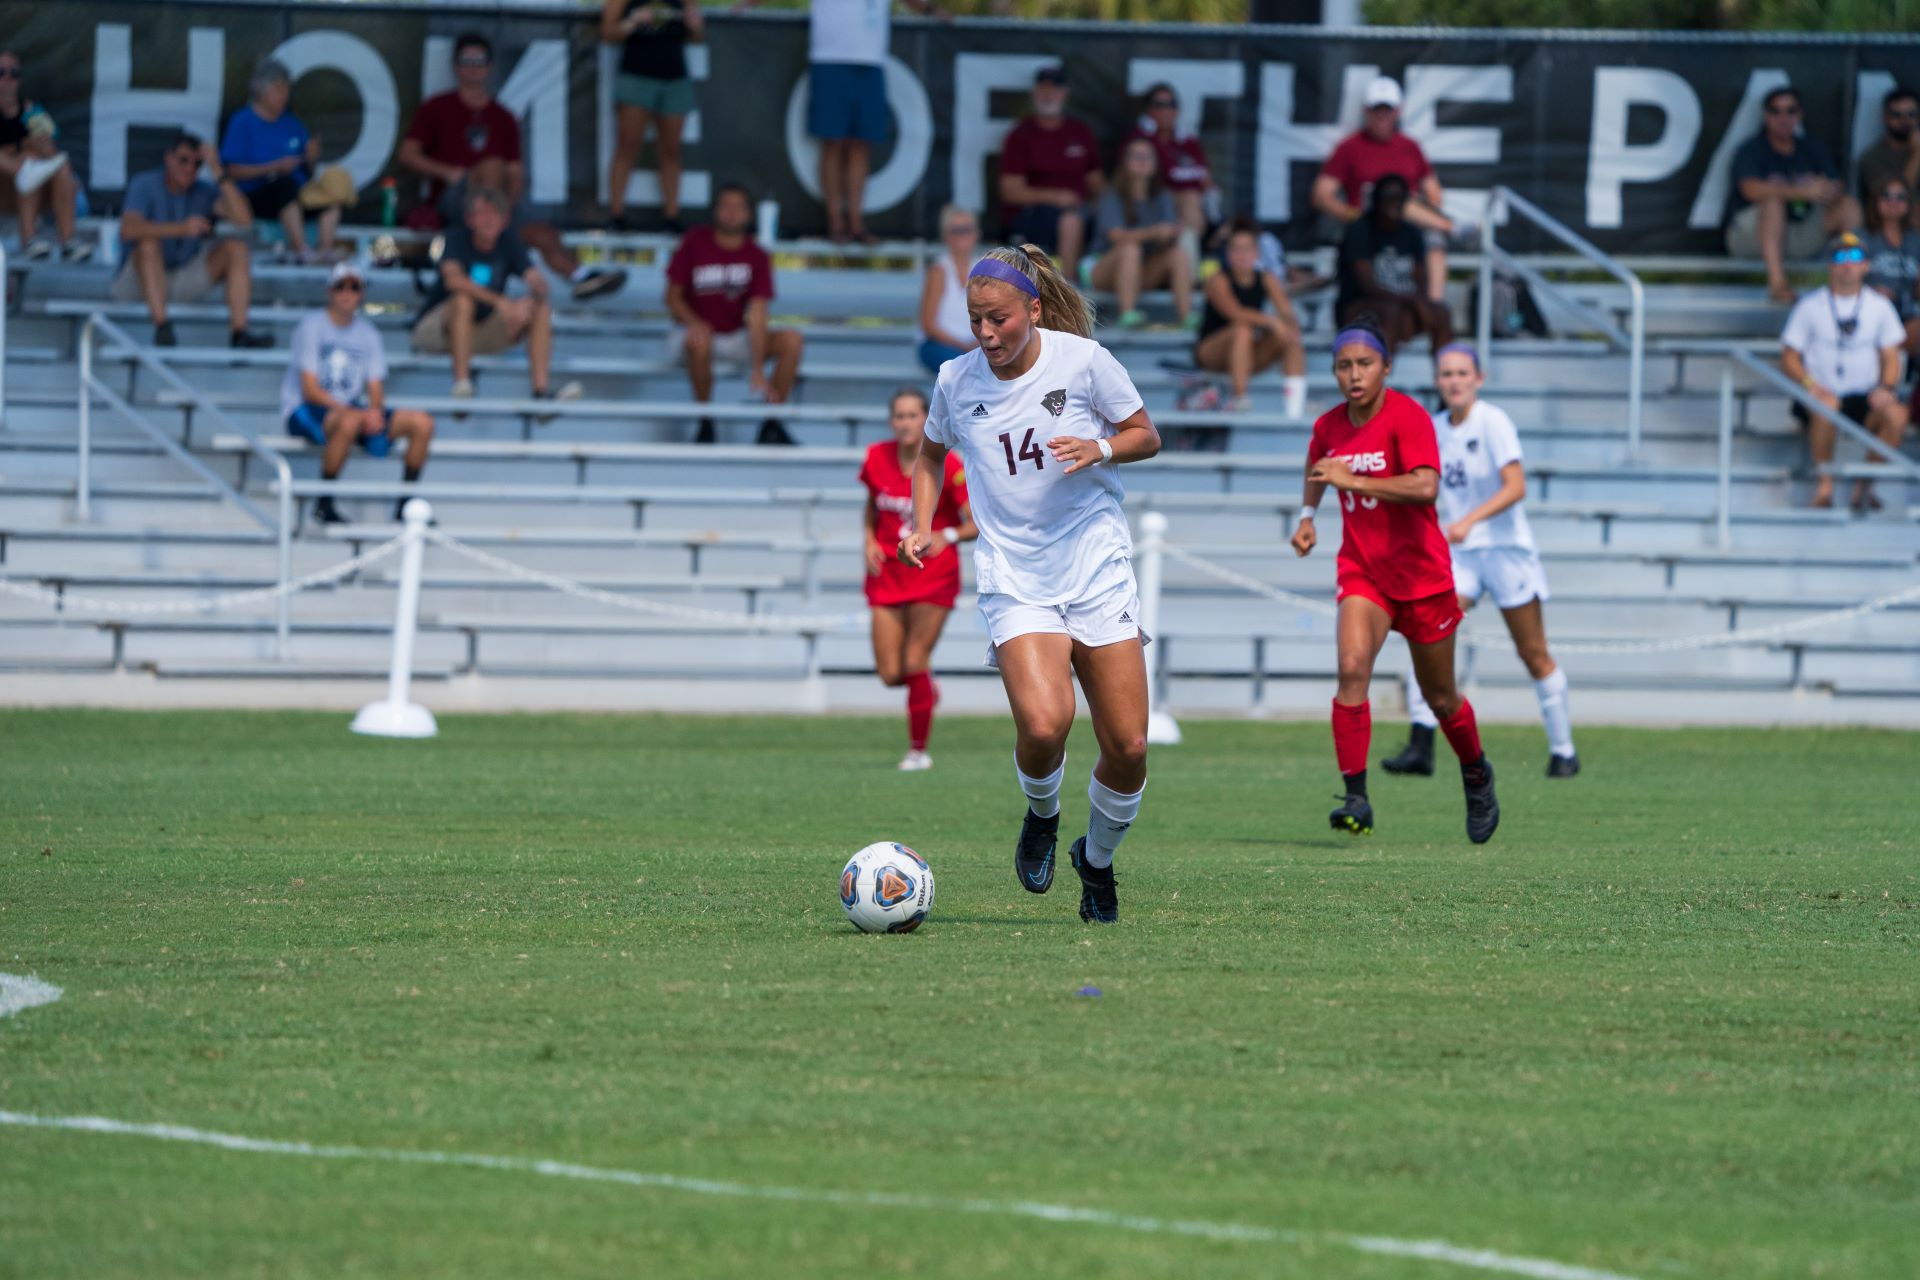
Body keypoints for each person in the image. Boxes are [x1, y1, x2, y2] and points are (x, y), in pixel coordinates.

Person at [898, 244, 1161, 925]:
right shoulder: (956, 380)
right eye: (975, 320)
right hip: (1015, 573)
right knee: (1046, 724)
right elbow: (929, 454)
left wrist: (1099, 447)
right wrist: (920, 522)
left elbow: (1145, 434)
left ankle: (1096, 861)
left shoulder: (1083, 362)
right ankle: (1042, 815)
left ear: (1034, 310)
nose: (986, 335)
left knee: (1129, 745)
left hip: (1095, 567)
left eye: (999, 320)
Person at [1289, 319, 1499, 845]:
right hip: (1364, 571)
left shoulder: (1408, 417)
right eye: (1343, 366)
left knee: (1441, 696)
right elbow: (1317, 465)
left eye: (1364, 364)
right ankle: (1355, 797)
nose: (1354, 375)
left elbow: (1426, 487)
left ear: (1385, 367)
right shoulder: (1329, 425)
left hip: (1423, 577)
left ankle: (1476, 772)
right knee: (1351, 667)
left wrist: (1352, 479)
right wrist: (1307, 516)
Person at [1379, 343, 1578, 780]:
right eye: (1446, 374)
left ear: (1478, 379)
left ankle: (1564, 750)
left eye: (1462, 373)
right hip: (1461, 554)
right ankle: (1421, 744)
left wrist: (1469, 519)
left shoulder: (1494, 422)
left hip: (1507, 552)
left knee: (1533, 652)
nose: (1454, 381)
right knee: (1426, 630)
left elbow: (1515, 486)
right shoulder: (1431, 427)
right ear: (1438, 381)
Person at [397, 33, 627, 301]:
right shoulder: (437, 107)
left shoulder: (503, 117)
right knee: (493, 166)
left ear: (490, 66)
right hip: (454, 201)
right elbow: (408, 154)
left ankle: (581, 277)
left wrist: (504, 209)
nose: (473, 66)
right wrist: (447, 172)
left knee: (543, 234)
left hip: (498, 206)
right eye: (466, 60)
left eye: (479, 60)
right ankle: (489, 239)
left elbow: (516, 175)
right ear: (455, 65)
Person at [732, 0, 945, 243]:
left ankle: (856, 223)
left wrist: (932, 10)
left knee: (861, 145)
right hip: (829, 58)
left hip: (871, 61)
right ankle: (835, 224)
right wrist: (744, 5)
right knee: (832, 143)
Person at [861, 388, 975, 770]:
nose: (905, 423)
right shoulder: (876, 457)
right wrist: (867, 542)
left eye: (913, 416)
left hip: (933, 574)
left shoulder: (950, 464)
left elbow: (975, 520)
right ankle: (926, 688)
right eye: (899, 416)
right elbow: (871, 507)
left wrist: (950, 535)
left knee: (914, 660)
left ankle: (917, 751)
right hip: (887, 573)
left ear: (926, 420)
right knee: (891, 673)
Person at [285, 262, 436, 527]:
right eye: (340, 286)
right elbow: (309, 390)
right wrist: (359, 414)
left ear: (362, 293)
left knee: (422, 423)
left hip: (351, 409)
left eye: (354, 287)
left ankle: (405, 505)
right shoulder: (310, 327)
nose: (347, 293)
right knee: (349, 421)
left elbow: (375, 386)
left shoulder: (368, 333)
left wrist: (375, 414)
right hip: (306, 410)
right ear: (329, 291)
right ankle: (324, 503)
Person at [411, 187, 583, 410]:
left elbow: (538, 283)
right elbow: (453, 281)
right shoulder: (454, 238)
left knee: (540, 310)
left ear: (505, 220)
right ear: (469, 218)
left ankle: (541, 395)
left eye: (496, 213)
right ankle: (462, 386)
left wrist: (528, 302)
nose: (489, 219)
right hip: (436, 331)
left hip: (480, 334)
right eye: (483, 213)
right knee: (463, 300)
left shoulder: (509, 241)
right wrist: (501, 303)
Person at [664, 182, 805, 444]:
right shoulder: (695, 241)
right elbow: (672, 297)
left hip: (735, 336)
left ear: (749, 214)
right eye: (725, 206)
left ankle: (772, 423)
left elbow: (758, 312)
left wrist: (758, 366)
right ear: (715, 210)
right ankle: (705, 421)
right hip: (691, 335)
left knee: (792, 340)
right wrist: (695, 323)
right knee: (699, 338)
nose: (731, 213)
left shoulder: (757, 255)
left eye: (738, 207)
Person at [1780, 233, 1909, 511]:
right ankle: (1824, 485)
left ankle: (1864, 485)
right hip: (1821, 394)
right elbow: (1790, 355)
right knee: (1827, 404)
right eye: (1840, 257)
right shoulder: (1810, 305)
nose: (1847, 264)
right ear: (1830, 265)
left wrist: (1886, 388)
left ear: (1865, 265)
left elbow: (1891, 354)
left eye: (1854, 257)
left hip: (1864, 396)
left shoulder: (1879, 306)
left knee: (1896, 415)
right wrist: (1809, 383)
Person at [111, 131, 271, 349]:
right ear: (168, 158)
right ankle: (162, 326)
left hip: (181, 276)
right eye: (183, 160)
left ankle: (239, 333)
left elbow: (244, 220)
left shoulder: (204, 191)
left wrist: (217, 169)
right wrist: (180, 229)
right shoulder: (145, 183)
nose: (189, 168)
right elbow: (128, 230)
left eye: (197, 164)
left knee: (237, 249)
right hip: (137, 281)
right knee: (148, 245)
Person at [1313, 76, 1451, 306]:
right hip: (1369, 225)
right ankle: (1452, 227)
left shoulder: (1410, 147)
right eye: (1377, 110)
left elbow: (1434, 192)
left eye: (1387, 110)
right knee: (1389, 201)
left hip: (1407, 227)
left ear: (1398, 111)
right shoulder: (1350, 147)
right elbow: (1321, 194)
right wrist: (1352, 215)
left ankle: (1433, 306)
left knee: (1429, 237)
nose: (1382, 117)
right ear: (1366, 111)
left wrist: (1421, 209)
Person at [1725, 86, 1859, 305]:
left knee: (1849, 206)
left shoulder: (1811, 148)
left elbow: (1837, 186)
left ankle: (1850, 282)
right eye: (1776, 111)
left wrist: (1826, 189)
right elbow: (1749, 189)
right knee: (1773, 202)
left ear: (1799, 114)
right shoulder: (1751, 149)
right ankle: (1777, 284)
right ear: (1766, 115)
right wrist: (1801, 191)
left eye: (1790, 111)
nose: (1783, 117)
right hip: (1752, 237)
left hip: (1800, 233)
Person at [219, 59, 356, 263]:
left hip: (295, 197)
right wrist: (274, 167)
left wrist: (311, 158)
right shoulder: (242, 122)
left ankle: (325, 250)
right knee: (285, 185)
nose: (284, 97)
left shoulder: (292, 123)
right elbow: (231, 170)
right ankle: (303, 250)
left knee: (331, 194)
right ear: (260, 92)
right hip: (255, 196)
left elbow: (307, 171)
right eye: (278, 91)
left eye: (286, 90)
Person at [601, 0, 703, 234]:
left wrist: (694, 25)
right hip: (636, 75)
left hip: (674, 77)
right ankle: (616, 215)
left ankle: (672, 216)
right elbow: (607, 32)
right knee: (627, 145)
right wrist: (632, 22)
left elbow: (697, 37)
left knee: (671, 150)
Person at [1194, 220, 1307, 418]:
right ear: (1228, 254)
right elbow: (1235, 313)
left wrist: (1289, 326)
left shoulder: (1266, 277)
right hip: (1212, 351)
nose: (1243, 254)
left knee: (1289, 335)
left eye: (1248, 249)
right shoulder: (1217, 279)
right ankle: (1240, 399)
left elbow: (1287, 312)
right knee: (1242, 329)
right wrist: (1272, 322)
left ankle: (1295, 407)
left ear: (1257, 253)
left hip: (1246, 354)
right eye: (1237, 249)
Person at [998, 66, 1102, 279]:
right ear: (1034, 93)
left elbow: (1097, 183)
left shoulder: (1079, 132)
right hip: (1034, 215)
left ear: (1064, 94)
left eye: (1054, 89)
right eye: (1043, 89)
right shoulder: (1021, 134)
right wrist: (1056, 197)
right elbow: (1010, 191)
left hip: (1081, 212)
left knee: (1099, 221)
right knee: (1070, 221)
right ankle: (1069, 292)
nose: (1048, 95)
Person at [1336, 174, 1452, 355]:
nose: (1394, 203)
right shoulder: (1360, 230)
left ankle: (1446, 374)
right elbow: (1367, 286)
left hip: (1404, 306)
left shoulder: (1412, 233)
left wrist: (1417, 303)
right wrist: (1413, 302)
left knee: (1441, 312)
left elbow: (1421, 280)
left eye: (1400, 198)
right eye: (1388, 197)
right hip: (1360, 305)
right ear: (1376, 200)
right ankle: (1382, 379)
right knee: (1390, 312)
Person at [1087, 136, 1192, 330]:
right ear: (1125, 163)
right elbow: (1116, 236)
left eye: (1148, 156)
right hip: (1103, 269)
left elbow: (1166, 236)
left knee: (1178, 254)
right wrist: (1155, 232)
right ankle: (1128, 314)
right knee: (1130, 249)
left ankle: (1187, 317)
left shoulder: (1163, 196)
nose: (1143, 160)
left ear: (1155, 164)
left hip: (1142, 270)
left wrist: (1172, 233)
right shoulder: (1111, 194)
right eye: (1137, 156)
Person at [0, 51, 87, 261]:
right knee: (29, 162)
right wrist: (21, 148)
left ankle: (67, 242)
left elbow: (52, 154)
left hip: (27, 189)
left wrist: (38, 148)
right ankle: (28, 238)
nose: (8, 78)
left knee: (60, 165)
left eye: (15, 73)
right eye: (1, 72)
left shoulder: (32, 111)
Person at [1122, 82, 1214, 241]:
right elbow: (1132, 180)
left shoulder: (1189, 142)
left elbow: (1206, 180)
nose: (1166, 110)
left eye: (1171, 104)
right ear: (1148, 109)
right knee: (1189, 199)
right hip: (1152, 205)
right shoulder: (1140, 140)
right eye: (1159, 104)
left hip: (1195, 210)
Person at [917, 204, 979, 373]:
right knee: (962, 365)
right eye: (956, 230)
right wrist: (964, 347)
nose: (963, 235)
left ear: (976, 233)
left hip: (975, 346)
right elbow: (928, 326)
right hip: (939, 345)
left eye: (967, 229)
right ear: (946, 235)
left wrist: (977, 344)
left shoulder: (983, 269)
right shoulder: (938, 270)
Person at [1861, 177, 1920, 354]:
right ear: (1876, 201)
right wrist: (1870, 292)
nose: (1893, 201)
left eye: (1900, 197)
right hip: (1869, 314)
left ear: (1908, 203)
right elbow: (1842, 276)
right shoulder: (1860, 237)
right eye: (1886, 196)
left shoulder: (1916, 240)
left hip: (1907, 315)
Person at [1855, 86, 1919, 225]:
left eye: (1911, 114)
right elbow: (1896, 200)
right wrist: (1917, 154)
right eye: (1897, 115)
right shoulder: (1871, 157)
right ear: (1885, 117)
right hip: (1893, 226)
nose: (1905, 121)